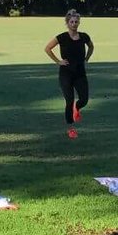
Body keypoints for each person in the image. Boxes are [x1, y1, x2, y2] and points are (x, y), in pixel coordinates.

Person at [44, 10, 94, 140]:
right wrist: (58, 61)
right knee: (69, 100)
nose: (74, 24)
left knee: (84, 99)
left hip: (80, 72)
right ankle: (71, 129)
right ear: (67, 23)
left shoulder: (84, 36)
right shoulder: (62, 37)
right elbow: (47, 48)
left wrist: (87, 58)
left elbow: (91, 47)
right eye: (71, 22)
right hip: (66, 73)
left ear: (79, 22)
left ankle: (77, 108)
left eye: (76, 21)